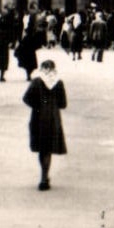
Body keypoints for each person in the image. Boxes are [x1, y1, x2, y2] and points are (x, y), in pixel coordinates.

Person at [23, 57, 68, 190]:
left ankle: (43, 177)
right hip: (53, 118)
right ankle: (44, 176)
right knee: (48, 148)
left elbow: (26, 98)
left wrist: (37, 105)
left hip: (38, 117)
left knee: (42, 148)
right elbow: (63, 104)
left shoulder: (37, 81)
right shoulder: (58, 82)